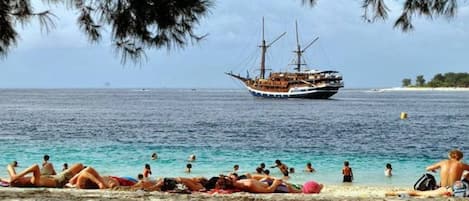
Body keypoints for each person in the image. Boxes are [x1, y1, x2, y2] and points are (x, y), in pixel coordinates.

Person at [7, 162, 84, 187]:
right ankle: (76, 180)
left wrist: (13, 173)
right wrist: (17, 175)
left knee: (49, 165)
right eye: (20, 178)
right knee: (79, 165)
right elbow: (35, 166)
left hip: (50, 176)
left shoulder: (27, 180)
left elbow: (8, 166)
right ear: (22, 182)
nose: (22, 177)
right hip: (59, 180)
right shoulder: (34, 181)